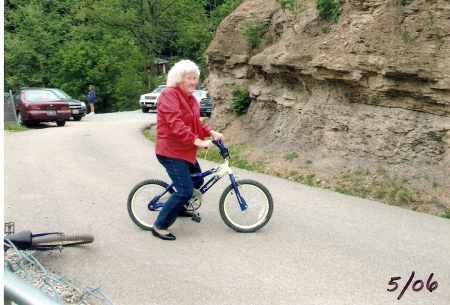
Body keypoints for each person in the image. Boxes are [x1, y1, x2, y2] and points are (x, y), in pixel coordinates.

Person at [152, 60, 225, 241]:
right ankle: (159, 226)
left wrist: (211, 132)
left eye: (195, 78)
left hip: (185, 150)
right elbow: (176, 124)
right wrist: (197, 141)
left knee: (197, 180)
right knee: (185, 190)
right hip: (170, 150)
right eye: (189, 78)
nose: (193, 82)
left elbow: (195, 123)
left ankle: (182, 206)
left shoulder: (191, 99)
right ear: (179, 79)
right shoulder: (169, 95)